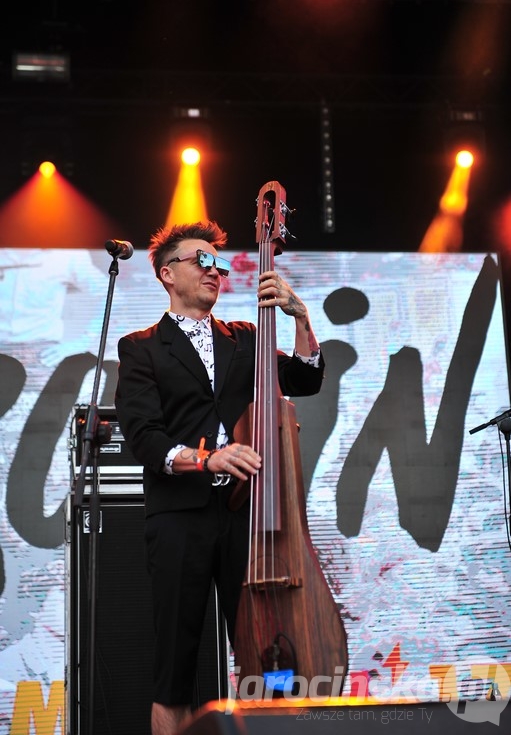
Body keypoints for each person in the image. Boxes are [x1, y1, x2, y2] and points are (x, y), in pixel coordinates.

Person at [114, 220, 325, 735]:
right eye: (200, 260)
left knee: (265, 652)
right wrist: (207, 459)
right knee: (175, 666)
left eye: (219, 263)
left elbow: (306, 376)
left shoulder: (246, 338)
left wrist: (299, 316)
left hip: (244, 517)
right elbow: (145, 439)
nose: (215, 271)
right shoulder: (140, 348)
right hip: (179, 517)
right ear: (167, 273)